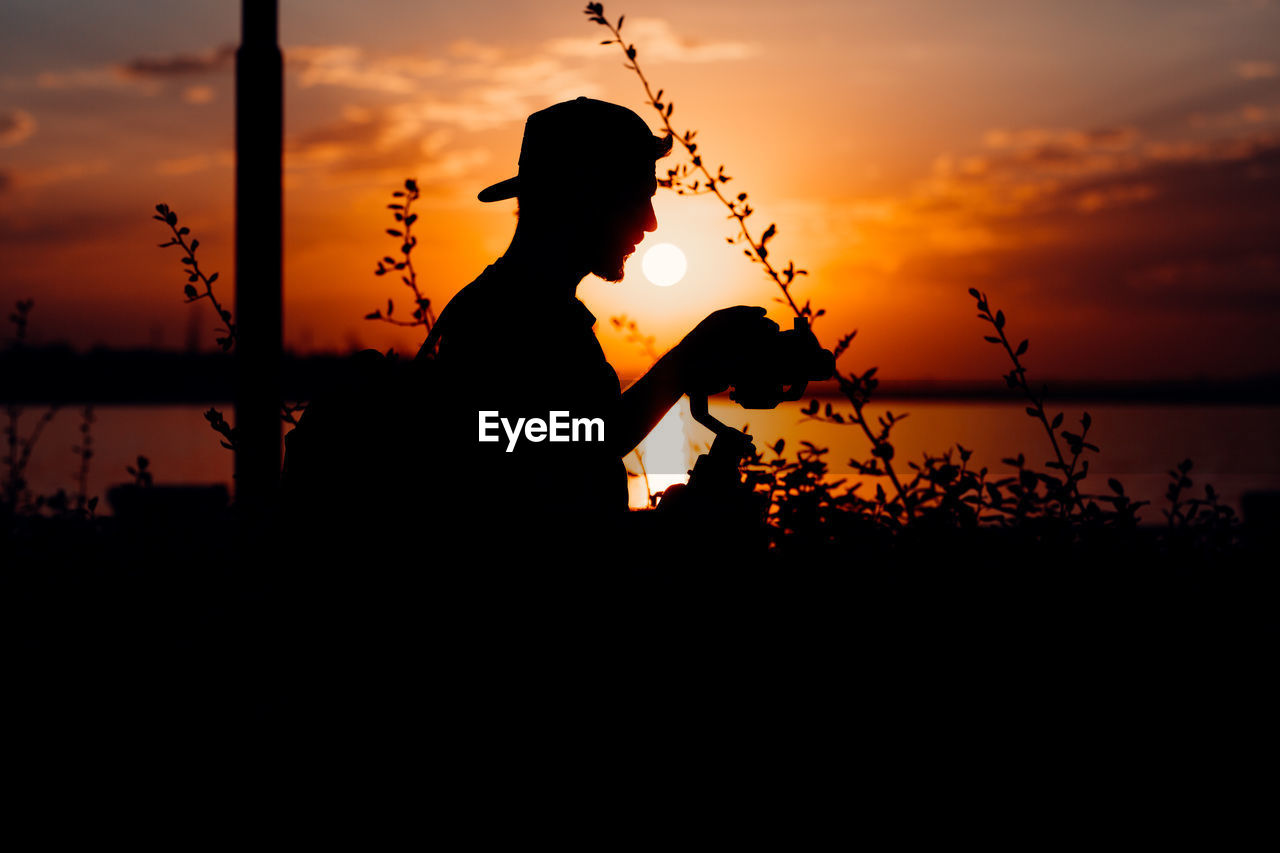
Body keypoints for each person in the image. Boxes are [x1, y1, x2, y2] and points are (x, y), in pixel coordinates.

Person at [418, 97, 780, 550]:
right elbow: (524, 521)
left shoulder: (527, 310)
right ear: (580, 198)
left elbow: (568, 481)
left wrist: (670, 526)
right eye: (635, 199)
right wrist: (684, 365)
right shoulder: (505, 319)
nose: (649, 223)